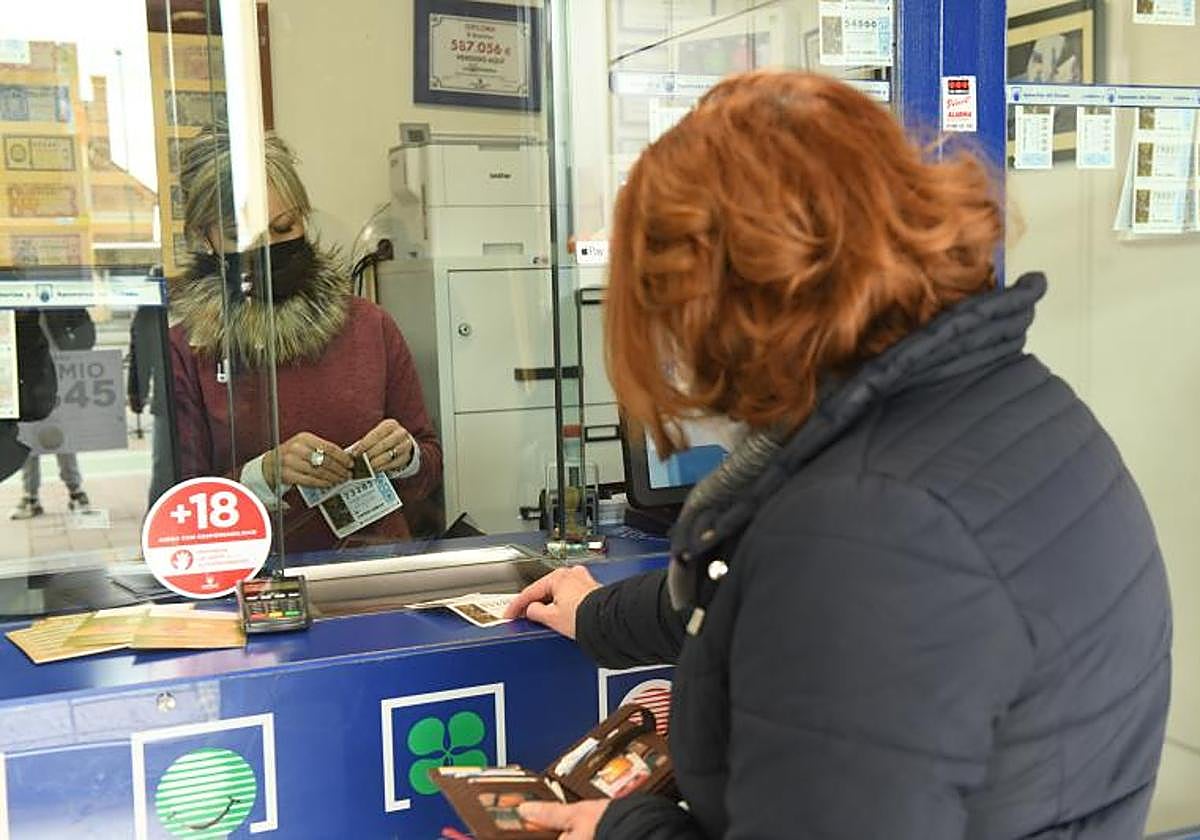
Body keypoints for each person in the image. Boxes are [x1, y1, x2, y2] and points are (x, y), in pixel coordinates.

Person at [504, 72, 1171, 839]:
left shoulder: (866, 525)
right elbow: (765, 586)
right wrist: (603, 616)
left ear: (728, 303)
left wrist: (625, 832)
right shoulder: (1015, 405)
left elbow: (850, 588)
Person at [169, 127, 443, 552]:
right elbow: (178, 507)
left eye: (283, 227)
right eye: (243, 235)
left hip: (375, 569)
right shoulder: (190, 350)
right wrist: (264, 474)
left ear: (303, 217)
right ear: (206, 238)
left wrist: (406, 456)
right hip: (256, 578)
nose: (267, 246)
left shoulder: (369, 326)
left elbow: (429, 465)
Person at [10, 308, 94, 519]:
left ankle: (74, 490)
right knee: (28, 434)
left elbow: (87, 333)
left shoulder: (59, 307)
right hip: (30, 380)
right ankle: (31, 494)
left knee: (62, 436)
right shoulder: (20, 313)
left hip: (61, 375)